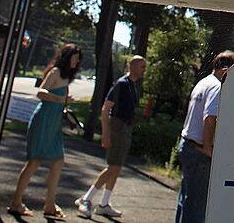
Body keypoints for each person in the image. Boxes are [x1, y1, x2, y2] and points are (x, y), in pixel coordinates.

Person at [8, 43, 81, 220]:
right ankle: (16, 203)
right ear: (66, 57)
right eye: (74, 58)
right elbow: (41, 93)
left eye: (78, 60)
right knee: (34, 161)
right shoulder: (55, 72)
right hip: (43, 120)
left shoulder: (66, 77)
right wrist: (60, 98)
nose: (76, 62)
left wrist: (65, 103)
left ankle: (50, 204)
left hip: (54, 124)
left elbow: (60, 99)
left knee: (58, 161)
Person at [76, 55, 147, 219]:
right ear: (134, 66)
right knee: (113, 166)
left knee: (117, 167)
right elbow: (105, 108)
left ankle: (104, 204)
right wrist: (106, 133)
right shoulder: (121, 84)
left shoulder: (133, 85)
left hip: (126, 129)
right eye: (142, 67)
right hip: (117, 128)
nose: (144, 70)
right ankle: (86, 199)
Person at [174, 50, 234, 223]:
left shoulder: (203, 83)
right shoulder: (217, 86)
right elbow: (210, 117)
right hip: (199, 151)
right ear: (226, 69)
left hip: (187, 144)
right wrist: (208, 147)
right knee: (197, 207)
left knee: (186, 200)